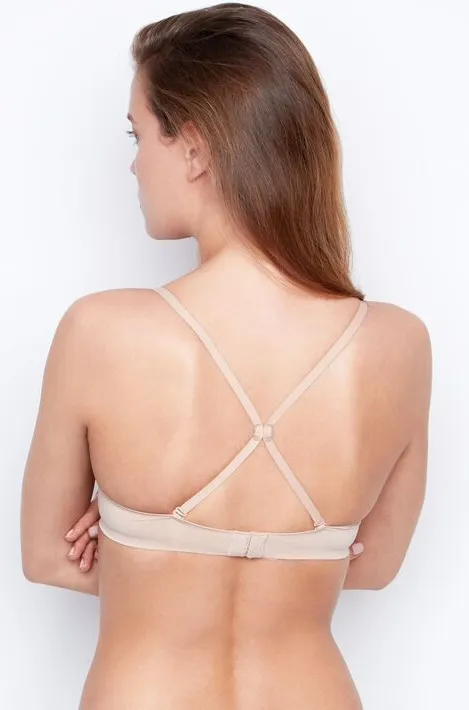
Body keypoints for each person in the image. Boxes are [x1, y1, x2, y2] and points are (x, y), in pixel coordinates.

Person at [20, 3, 432, 709]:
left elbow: (47, 557)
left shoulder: (100, 331)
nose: (133, 162)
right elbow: (373, 565)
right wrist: (288, 560)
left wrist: (145, 556)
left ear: (195, 148)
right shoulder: (398, 344)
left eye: (139, 133)